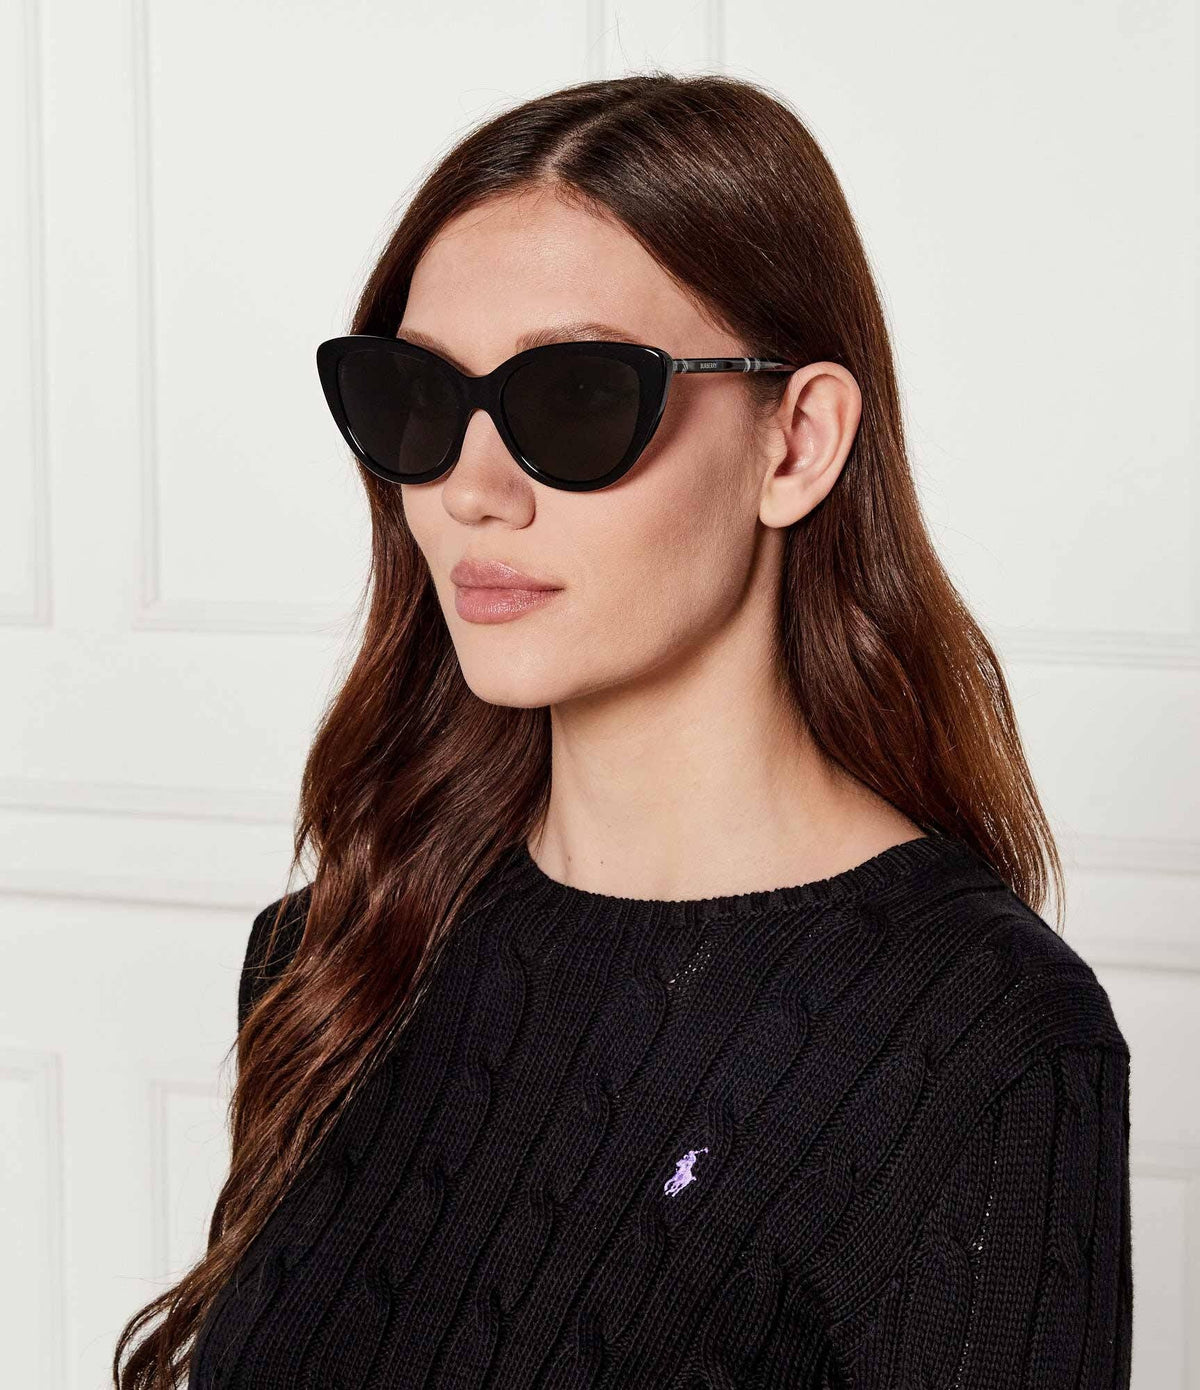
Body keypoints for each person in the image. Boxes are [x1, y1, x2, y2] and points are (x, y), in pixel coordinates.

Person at [114, 71, 1132, 1389]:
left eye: (575, 401)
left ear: (797, 443)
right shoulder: (341, 951)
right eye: (419, 400)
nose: (472, 491)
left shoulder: (983, 1045)